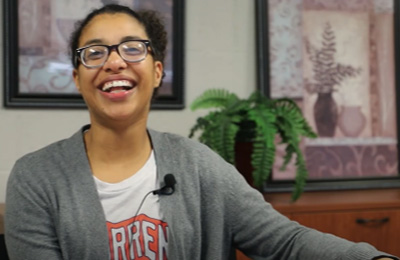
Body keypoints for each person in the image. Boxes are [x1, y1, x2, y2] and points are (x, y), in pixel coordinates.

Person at [4, 4, 398, 260]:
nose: (113, 62)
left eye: (132, 48)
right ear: (77, 77)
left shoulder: (200, 166)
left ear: (157, 71)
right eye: (94, 52)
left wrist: (373, 259)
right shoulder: (36, 178)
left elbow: (286, 242)